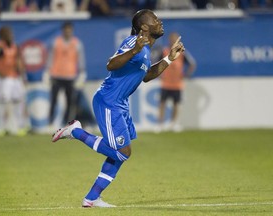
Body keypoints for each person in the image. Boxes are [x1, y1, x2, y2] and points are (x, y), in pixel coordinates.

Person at [52, 9, 185, 208]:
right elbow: (111, 64)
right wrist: (133, 51)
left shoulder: (146, 50)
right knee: (123, 152)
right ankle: (76, 131)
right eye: (155, 19)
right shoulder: (133, 42)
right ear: (144, 27)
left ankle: (91, 198)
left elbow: (146, 76)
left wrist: (168, 59)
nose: (160, 22)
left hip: (120, 104)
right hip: (108, 101)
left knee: (120, 154)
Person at [0, 26, 27, 136]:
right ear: (3, 36)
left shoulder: (15, 46)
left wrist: (23, 76)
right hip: (4, 79)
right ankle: (0, 127)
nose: (11, 35)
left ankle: (20, 126)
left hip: (15, 78)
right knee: (3, 102)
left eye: (11, 33)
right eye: (8, 33)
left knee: (19, 101)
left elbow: (19, 61)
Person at [47, 21, 86, 126]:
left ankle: (66, 123)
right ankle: (50, 122)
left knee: (70, 102)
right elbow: (50, 57)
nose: (68, 32)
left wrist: (82, 73)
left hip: (70, 76)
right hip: (56, 75)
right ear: (63, 31)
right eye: (66, 30)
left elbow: (80, 59)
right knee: (53, 100)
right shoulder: (56, 42)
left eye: (69, 30)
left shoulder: (77, 43)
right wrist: (47, 71)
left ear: (72, 31)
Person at [157, 32, 196, 132]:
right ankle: (160, 124)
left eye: (175, 39)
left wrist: (186, 75)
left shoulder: (182, 52)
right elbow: (156, 63)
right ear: (169, 40)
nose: (173, 41)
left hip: (177, 84)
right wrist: (159, 74)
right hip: (165, 83)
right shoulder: (164, 51)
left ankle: (173, 123)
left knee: (176, 104)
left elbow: (192, 64)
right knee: (162, 103)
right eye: (172, 39)